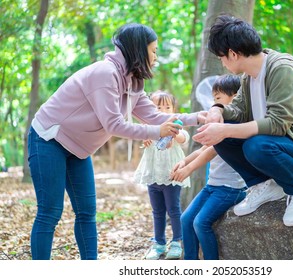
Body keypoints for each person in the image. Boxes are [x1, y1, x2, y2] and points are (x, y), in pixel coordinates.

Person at [27, 23, 206, 260]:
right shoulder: (105, 74)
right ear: (138, 50)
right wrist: (158, 132)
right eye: (153, 51)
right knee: (50, 212)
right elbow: (114, 125)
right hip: (48, 138)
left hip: (78, 149)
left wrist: (197, 117)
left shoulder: (132, 82)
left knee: (87, 212)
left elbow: (155, 116)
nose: (155, 57)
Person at [193, 15, 293, 227]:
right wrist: (217, 109)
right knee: (224, 136)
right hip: (279, 146)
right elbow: (239, 110)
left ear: (233, 54)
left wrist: (224, 130)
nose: (222, 62)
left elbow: (278, 124)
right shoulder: (248, 76)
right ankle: (266, 185)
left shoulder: (282, 69)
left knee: (254, 144)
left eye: (221, 57)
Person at [170, 74, 247, 260]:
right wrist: (184, 161)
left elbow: (212, 151)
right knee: (186, 220)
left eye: (218, 99)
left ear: (235, 97)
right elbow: (203, 149)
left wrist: (188, 170)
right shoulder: (220, 124)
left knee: (200, 223)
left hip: (230, 189)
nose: (214, 105)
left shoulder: (235, 124)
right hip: (213, 186)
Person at [133, 90, 190, 260]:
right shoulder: (149, 128)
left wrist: (175, 134)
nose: (163, 111)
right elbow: (143, 140)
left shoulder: (177, 127)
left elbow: (184, 138)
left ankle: (177, 242)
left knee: (173, 210)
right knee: (157, 211)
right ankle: (158, 243)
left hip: (171, 176)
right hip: (153, 175)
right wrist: (146, 139)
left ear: (174, 110)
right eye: (158, 107)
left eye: (167, 107)